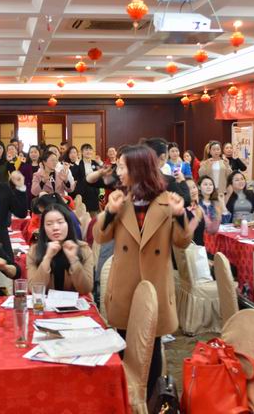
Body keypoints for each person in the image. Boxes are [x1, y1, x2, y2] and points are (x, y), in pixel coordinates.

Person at [94, 144, 193, 400]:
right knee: (123, 343)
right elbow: (100, 236)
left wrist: (180, 215)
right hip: (125, 285)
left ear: (138, 169)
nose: (118, 172)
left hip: (155, 286)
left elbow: (182, 242)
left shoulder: (167, 201)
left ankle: (150, 400)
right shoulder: (120, 200)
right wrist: (109, 212)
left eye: (122, 167)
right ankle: (125, 400)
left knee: (152, 346)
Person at [27, 204, 93, 294]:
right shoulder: (34, 251)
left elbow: (86, 289)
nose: (55, 228)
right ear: (43, 228)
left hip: (74, 302)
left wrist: (74, 260)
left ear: (68, 224)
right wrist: (47, 258)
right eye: (49, 224)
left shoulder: (83, 249)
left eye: (60, 222)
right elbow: (34, 290)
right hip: (45, 302)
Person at [142, 138, 191, 207]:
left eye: (176, 151)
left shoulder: (139, 176)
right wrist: (182, 181)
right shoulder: (167, 180)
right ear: (163, 156)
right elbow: (185, 201)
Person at [72, 143, 108, 214]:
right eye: (86, 150)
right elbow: (73, 175)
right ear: (82, 152)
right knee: (82, 213)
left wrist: (100, 163)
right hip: (82, 193)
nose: (88, 151)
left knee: (94, 213)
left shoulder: (95, 163)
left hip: (94, 193)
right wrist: (76, 163)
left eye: (90, 149)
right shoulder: (79, 163)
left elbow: (104, 174)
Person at [185, 178, 206, 245]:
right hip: (192, 249)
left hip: (204, 247)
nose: (193, 191)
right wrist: (197, 218)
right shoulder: (182, 210)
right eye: (188, 189)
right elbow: (187, 236)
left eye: (194, 187)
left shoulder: (201, 206)